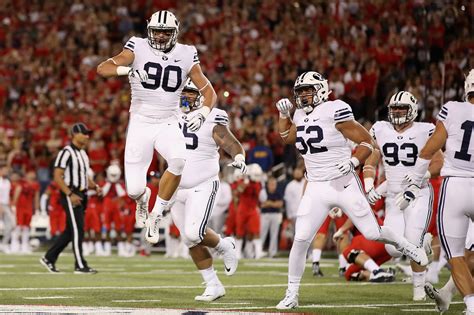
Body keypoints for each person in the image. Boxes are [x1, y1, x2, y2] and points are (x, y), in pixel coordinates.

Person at [275, 71, 429, 309]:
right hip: (316, 185)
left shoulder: (335, 109)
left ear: (322, 90)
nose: (304, 96)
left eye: (308, 90)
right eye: (300, 91)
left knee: (372, 232)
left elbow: (367, 141)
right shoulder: (298, 114)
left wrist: (354, 162)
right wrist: (283, 116)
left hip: (343, 182)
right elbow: (287, 137)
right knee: (301, 239)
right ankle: (291, 293)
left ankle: (406, 245)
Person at [96, 10, 218, 244]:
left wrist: (203, 112)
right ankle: (143, 200)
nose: (161, 36)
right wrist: (128, 70)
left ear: (175, 33)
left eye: (166, 32)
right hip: (140, 122)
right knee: (133, 190)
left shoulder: (187, 53)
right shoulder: (137, 46)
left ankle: (156, 214)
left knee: (179, 161)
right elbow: (103, 68)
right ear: (149, 31)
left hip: (169, 121)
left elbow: (209, 91)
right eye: (157, 31)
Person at [400, 69, 474, 314]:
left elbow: (429, 149)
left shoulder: (453, 108)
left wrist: (414, 180)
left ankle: (471, 305)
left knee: (455, 255)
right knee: (467, 255)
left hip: (455, 186)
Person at [168, 79, 246, 301]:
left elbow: (230, 143)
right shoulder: (170, 113)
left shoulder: (212, 115)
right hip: (176, 185)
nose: (186, 97)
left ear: (202, 96)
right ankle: (213, 285)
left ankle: (225, 245)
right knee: (188, 239)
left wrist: (239, 157)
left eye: (191, 93)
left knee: (194, 233)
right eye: (184, 93)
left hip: (203, 183)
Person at [363, 90, 443, 300]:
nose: (397, 112)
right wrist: (369, 183)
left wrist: (420, 176)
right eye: (394, 108)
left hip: (418, 193)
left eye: (402, 108)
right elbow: (371, 160)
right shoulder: (380, 129)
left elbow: (438, 162)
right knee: (393, 250)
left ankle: (418, 291)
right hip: (393, 196)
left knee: (412, 240)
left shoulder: (425, 130)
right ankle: (423, 246)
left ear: (413, 110)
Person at [40, 123, 101, 274]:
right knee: (78, 230)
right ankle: (80, 265)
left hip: (82, 194)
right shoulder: (66, 152)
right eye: (84, 133)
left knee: (70, 231)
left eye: (88, 133)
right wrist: (69, 194)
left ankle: (49, 258)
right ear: (74, 134)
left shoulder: (83, 153)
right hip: (71, 193)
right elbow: (57, 176)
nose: (87, 136)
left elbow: (83, 176)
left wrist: (95, 186)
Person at [259, 176, 284, 258]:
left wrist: (269, 203)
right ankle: (259, 250)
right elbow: (261, 204)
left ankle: (272, 252)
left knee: (274, 234)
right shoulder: (264, 192)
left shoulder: (278, 193)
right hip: (265, 215)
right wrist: (273, 203)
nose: (273, 186)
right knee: (262, 233)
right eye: (271, 184)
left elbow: (280, 204)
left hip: (275, 215)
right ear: (268, 185)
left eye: (274, 184)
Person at [0, 166, 14, 253]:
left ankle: (4, 244)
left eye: (7, 170)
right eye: (4, 170)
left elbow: (7, 196)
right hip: (0, 205)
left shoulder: (8, 182)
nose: (6, 172)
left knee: (11, 224)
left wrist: (10, 207)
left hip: (6, 205)